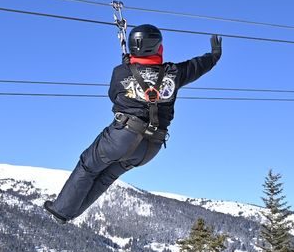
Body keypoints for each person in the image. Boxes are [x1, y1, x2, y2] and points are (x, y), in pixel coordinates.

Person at [43, 25, 222, 223]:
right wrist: (214, 55)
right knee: (106, 177)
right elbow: (197, 66)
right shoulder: (173, 73)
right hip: (151, 147)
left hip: (123, 136)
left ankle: (62, 210)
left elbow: (113, 95)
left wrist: (128, 70)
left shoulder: (121, 72)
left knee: (88, 166)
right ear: (158, 48)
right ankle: (68, 214)